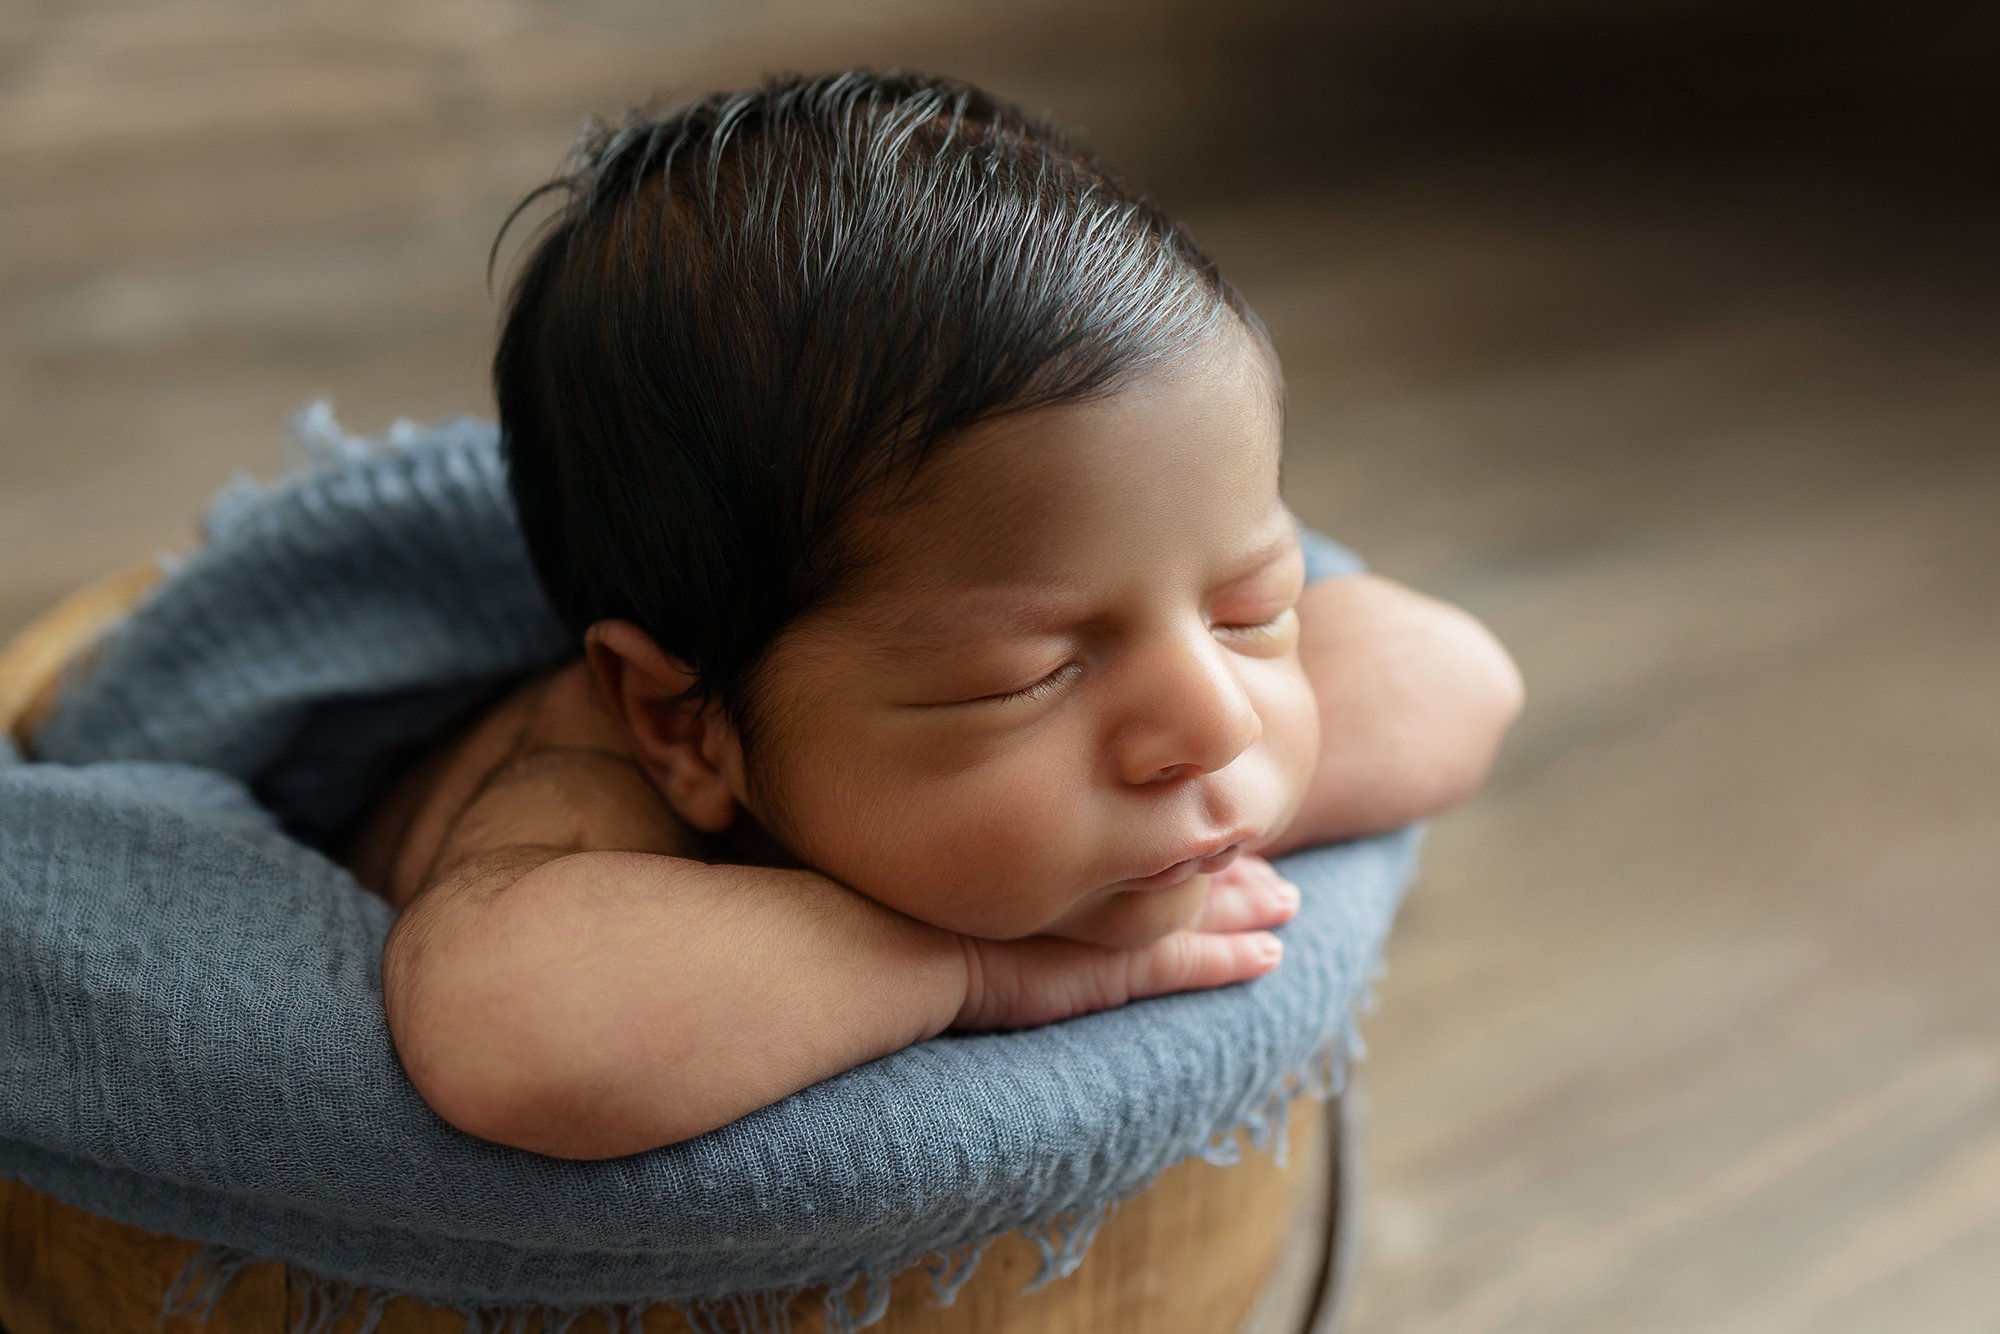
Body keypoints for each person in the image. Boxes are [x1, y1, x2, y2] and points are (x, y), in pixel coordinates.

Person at [340, 70, 1523, 1160]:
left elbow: (1457, 677)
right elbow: (519, 1031)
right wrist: (971, 965)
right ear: (683, 725)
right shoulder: (582, 784)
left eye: (1249, 608)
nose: (1215, 723)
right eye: (1025, 676)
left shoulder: (1137, 698)